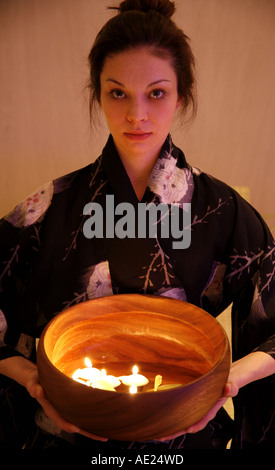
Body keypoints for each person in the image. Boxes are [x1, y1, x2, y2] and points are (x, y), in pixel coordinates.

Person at [0, 0, 274, 450]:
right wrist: (33, 380)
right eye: (118, 92)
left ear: (181, 94)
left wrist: (225, 384)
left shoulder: (221, 208)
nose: (136, 115)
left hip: (182, 434)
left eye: (157, 92)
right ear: (98, 94)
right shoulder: (48, 207)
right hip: (71, 434)